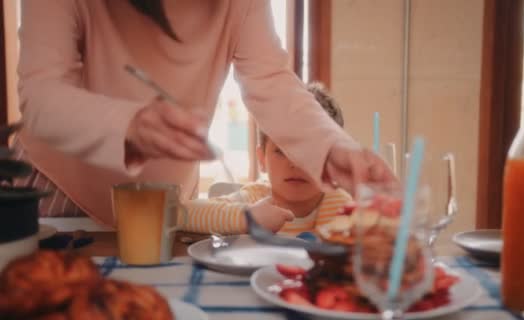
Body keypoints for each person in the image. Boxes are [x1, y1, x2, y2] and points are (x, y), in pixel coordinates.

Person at [13, 0, 394, 227]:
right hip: (59, 193)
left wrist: (332, 147)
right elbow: (41, 97)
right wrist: (127, 124)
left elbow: (269, 79)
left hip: (166, 205)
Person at [183, 83, 352, 236]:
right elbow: (182, 213)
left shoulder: (340, 204)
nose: (294, 163)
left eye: (308, 151)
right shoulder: (255, 199)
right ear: (262, 159)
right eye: (281, 151)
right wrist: (246, 218)